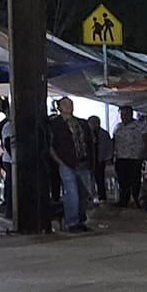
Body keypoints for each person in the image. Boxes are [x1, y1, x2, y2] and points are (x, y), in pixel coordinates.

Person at [48, 97, 88, 232]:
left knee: (83, 193)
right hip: (66, 162)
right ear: (59, 107)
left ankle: (80, 219)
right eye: (65, 104)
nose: (69, 106)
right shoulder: (55, 124)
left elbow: (86, 142)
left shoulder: (80, 123)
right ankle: (72, 222)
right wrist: (59, 161)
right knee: (72, 192)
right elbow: (51, 145)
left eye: (70, 104)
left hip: (82, 161)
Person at [113, 114, 147, 207]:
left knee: (135, 180)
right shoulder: (118, 126)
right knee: (122, 181)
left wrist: (146, 153)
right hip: (121, 157)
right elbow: (114, 140)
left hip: (135, 157)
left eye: (126, 113)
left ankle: (137, 199)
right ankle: (124, 200)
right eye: (122, 114)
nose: (124, 116)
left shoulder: (140, 126)